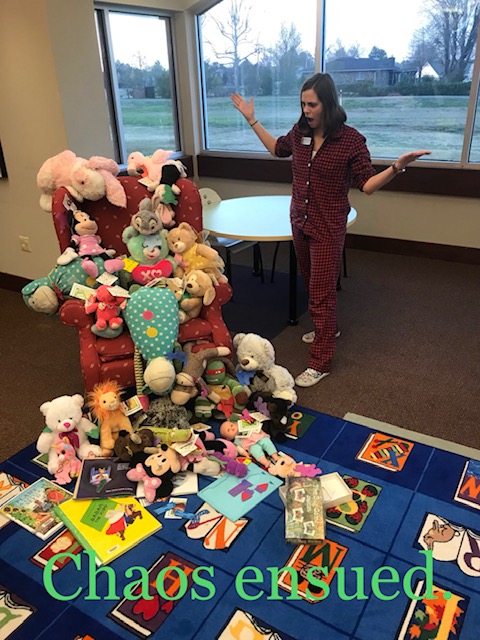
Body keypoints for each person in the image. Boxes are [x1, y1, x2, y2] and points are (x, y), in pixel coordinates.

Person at [231, 73, 430, 387]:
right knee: (311, 282)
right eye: (303, 104)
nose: (306, 110)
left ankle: (320, 360)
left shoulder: (350, 140)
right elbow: (277, 149)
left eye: (312, 104)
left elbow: (367, 185)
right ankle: (328, 327)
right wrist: (253, 120)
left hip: (328, 227)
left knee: (322, 294)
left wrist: (396, 167)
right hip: (300, 220)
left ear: (328, 103)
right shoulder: (299, 134)